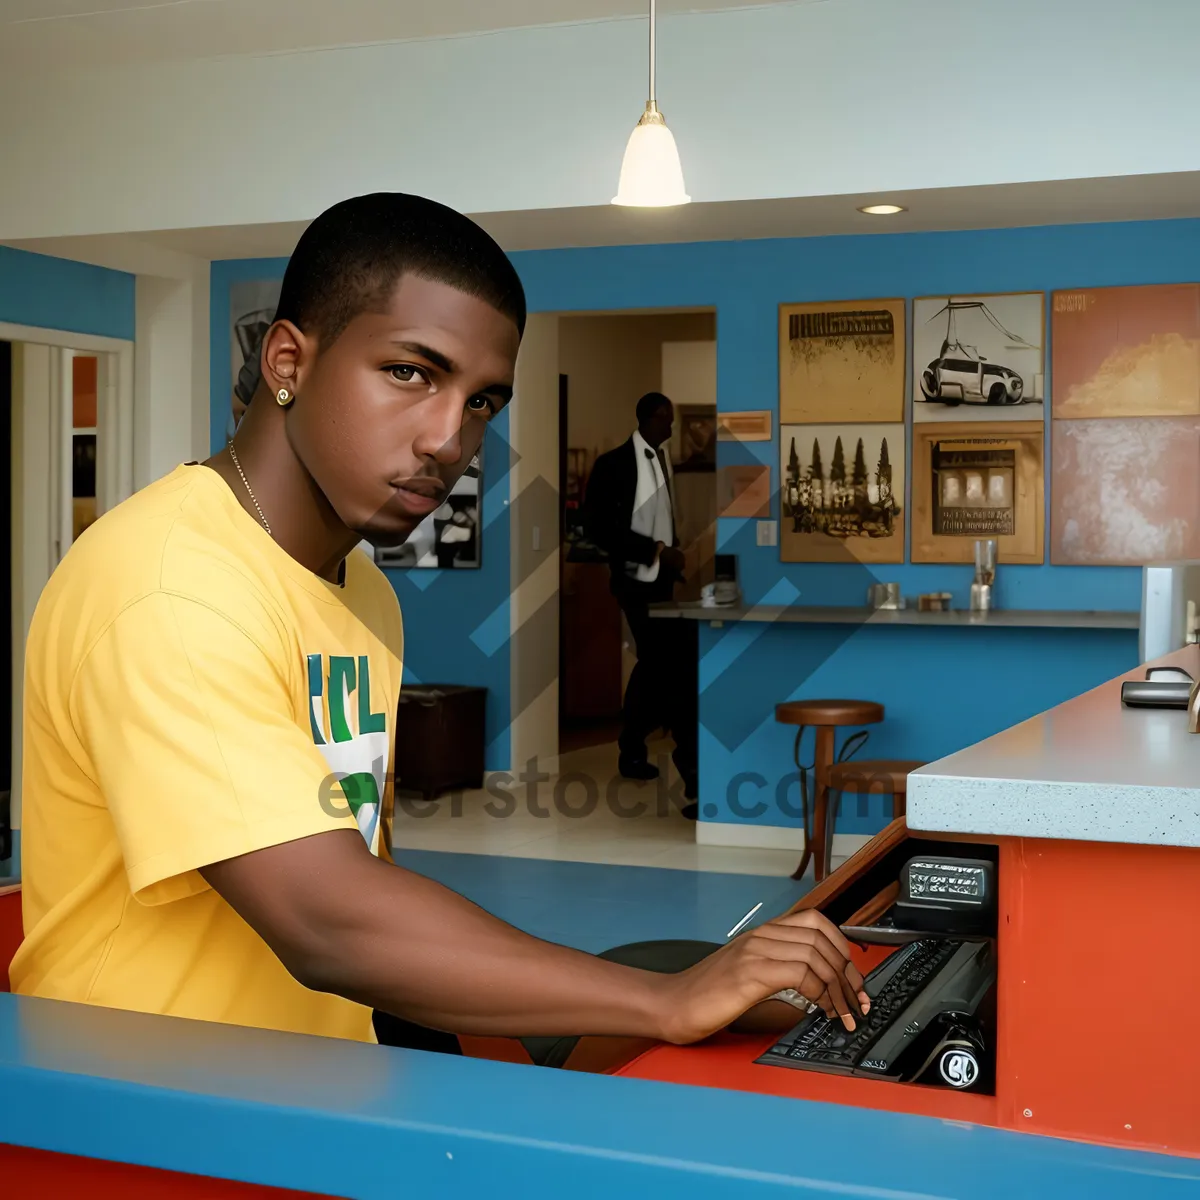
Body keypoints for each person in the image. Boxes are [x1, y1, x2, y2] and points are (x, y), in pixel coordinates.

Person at [12, 193, 867, 1054]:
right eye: (410, 373)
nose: (448, 440)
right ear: (287, 360)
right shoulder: (171, 589)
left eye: (483, 401)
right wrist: (667, 1001)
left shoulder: (359, 589)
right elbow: (326, 919)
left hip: (318, 1067)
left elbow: (359, 877)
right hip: (145, 1110)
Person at [583, 394, 699, 818]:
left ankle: (632, 747)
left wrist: (673, 558)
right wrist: (653, 550)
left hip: (665, 581)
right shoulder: (613, 464)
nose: (671, 428)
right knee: (665, 667)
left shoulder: (661, 459)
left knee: (654, 665)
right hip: (635, 581)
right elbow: (596, 526)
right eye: (666, 420)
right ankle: (676, 765)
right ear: (649, 418)